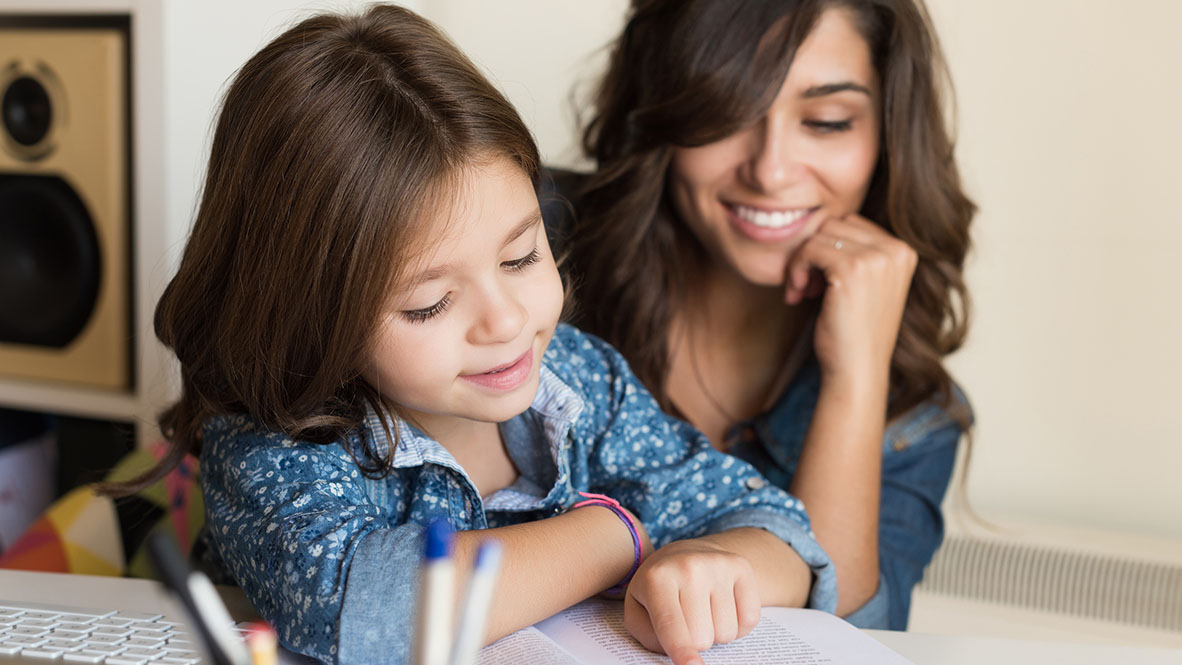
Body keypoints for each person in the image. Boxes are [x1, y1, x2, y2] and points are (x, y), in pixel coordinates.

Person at [100, 6, 836, 665]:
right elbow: (361, 608)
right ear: (311, 312)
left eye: (522, 256)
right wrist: (618, 538)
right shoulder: (274, 440)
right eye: (429, 304)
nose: (508, 321)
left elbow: (784, 535)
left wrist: (711, 563)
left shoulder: (579, 380)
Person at [562, 0, 975, 630]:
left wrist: (856, 376)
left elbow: (845, 639)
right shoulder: (524, 255)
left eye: (827, 121)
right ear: (668, 110)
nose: (770, 170)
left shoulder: (916, 421)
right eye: (730, 112)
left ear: (887, 137)